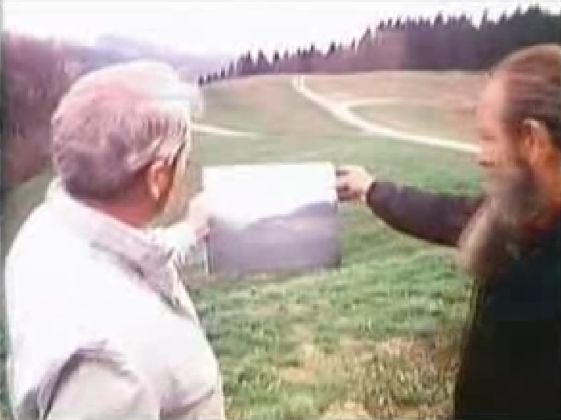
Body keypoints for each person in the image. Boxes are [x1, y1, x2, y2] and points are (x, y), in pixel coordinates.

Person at [336, 44, 560, 419]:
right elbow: (446, 215)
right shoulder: (523, 217)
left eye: (488, 137)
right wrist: (371, 190)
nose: (480, 156)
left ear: (532, 141)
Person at [5, 61, 225, 419]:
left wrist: (189, 230)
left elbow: (126, 256)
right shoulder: (107, 364)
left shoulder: (48, 226)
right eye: (184, 156)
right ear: (158, 177)